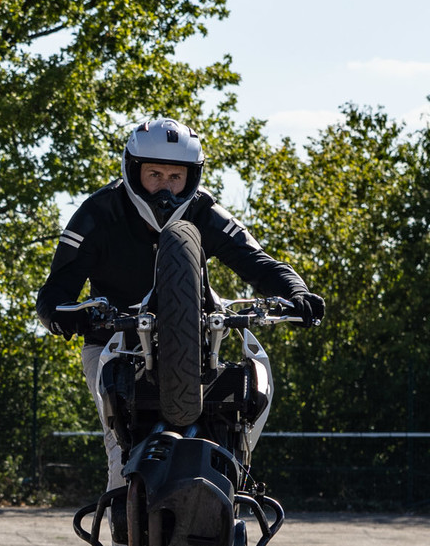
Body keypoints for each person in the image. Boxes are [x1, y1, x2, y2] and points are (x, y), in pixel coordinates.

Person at [35, 117, 325, 490]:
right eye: (154, 174)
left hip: (199, 341)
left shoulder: (205, 211)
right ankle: (128, 534)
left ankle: (231, 488)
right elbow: (54, 293)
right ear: (133, 169)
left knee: (237, 418)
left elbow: (258, 262)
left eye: (176, 177)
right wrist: (70, 316)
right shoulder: (98, 213)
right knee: (121, 455)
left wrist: (297, 292)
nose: (165, 189)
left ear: (192, 176)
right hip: (115, 343)